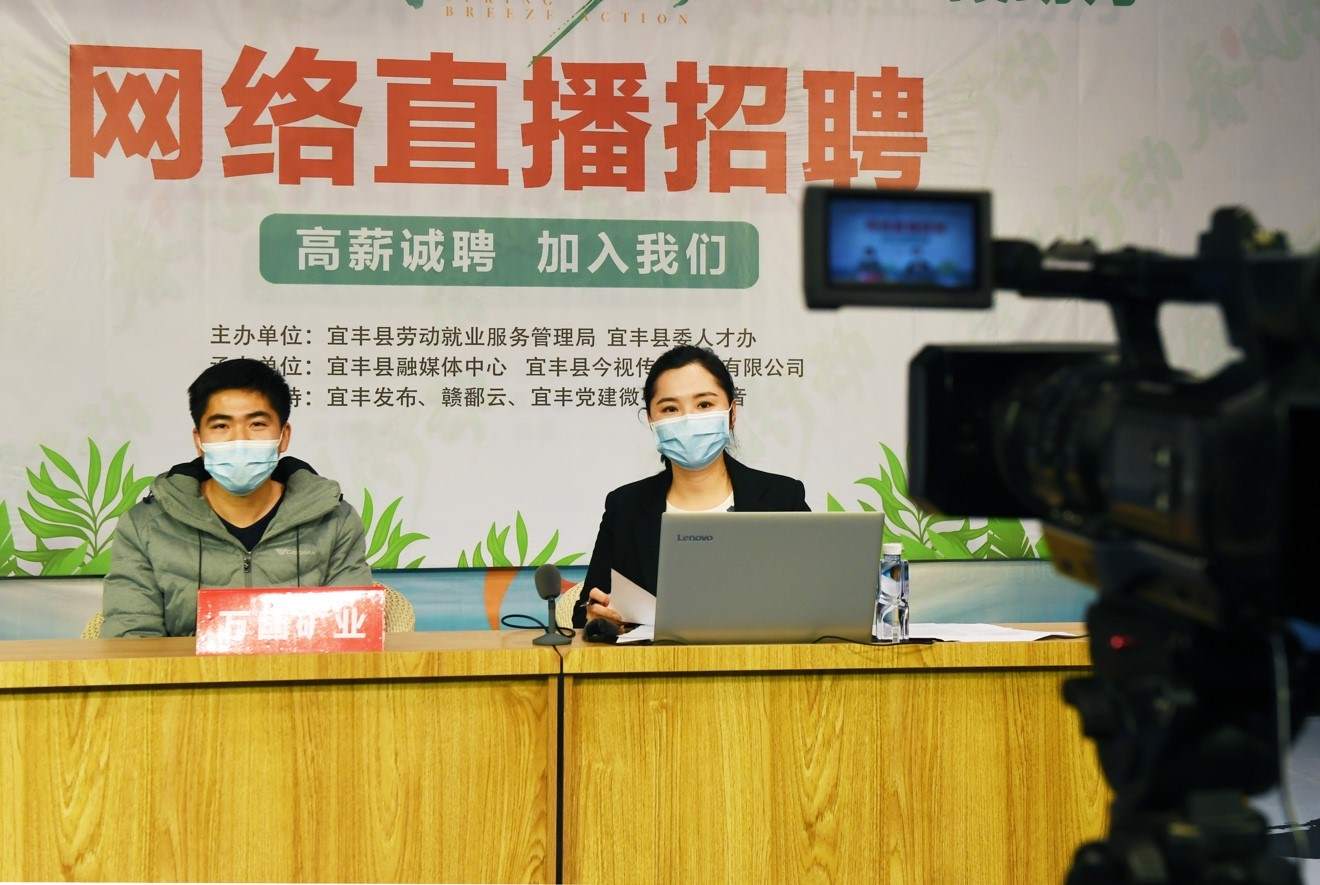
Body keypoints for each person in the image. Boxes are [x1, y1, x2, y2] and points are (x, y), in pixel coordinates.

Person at [101, 358, 372, 637]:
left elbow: (351, 636)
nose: (239, 440)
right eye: (221, 426)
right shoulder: (145, 527)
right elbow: (131, 644)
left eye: (256, 424)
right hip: (190, 681)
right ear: (199, 440)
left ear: (284, 436)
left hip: (299, 680)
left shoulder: (335, 521)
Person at [573, 345, 809, 629]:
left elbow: (818, 597)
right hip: (655, 668)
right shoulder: (625, 507)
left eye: (704, 405)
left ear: (732, 413)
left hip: (760, 667)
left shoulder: (782, 499)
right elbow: (588, 608)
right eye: (670, 408)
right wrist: (595, 615)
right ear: (651, 420)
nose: (688, 419)